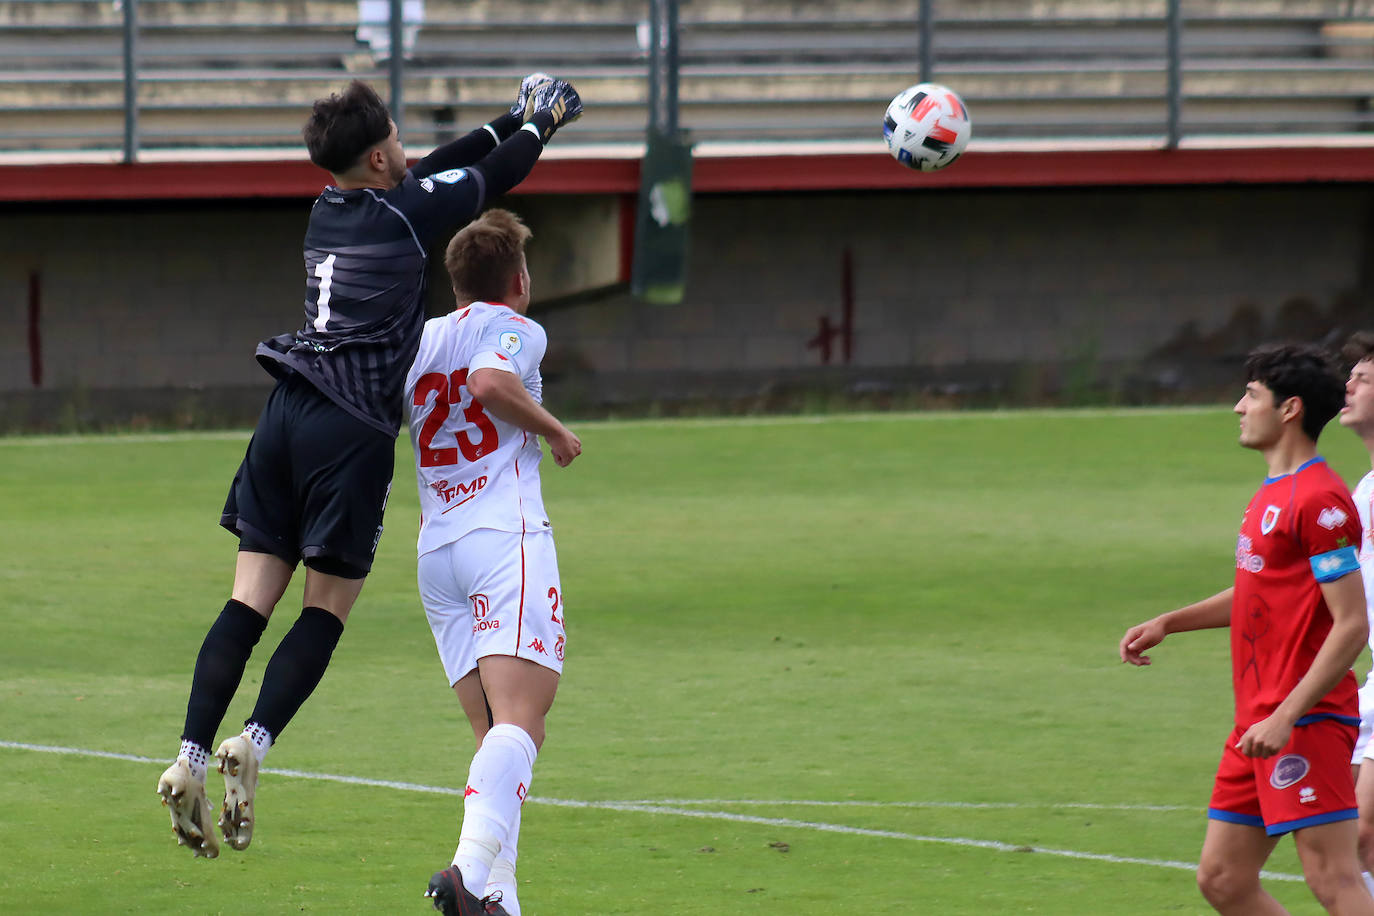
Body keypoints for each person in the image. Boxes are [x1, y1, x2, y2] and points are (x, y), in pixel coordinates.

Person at [155, 75, 583, 859]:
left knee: (248, 601)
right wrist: (543, 124)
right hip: (347, 429)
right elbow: (490, 176)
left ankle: (187, 754)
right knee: (325, 608)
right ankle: (255, 739)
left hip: (282, 409)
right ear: (381, 156)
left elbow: (445, 167)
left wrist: (507, 117)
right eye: (399, 140)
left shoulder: (329, 206)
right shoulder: (407, 214)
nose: (409, 150)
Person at [1119, 342, 1374, 915]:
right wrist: (1170, 622)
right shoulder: (1270, 496)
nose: (1238, 407)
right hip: (1257, 720)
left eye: (1251, 395)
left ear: (1290, 409)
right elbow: (1261, 592)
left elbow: (1352, 624)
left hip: (1302, 718)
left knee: (1334, 878)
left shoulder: (1322, 499)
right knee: (1223, 878)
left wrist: (1288, 715)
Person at [404, 208, 579, 916]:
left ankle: (497, 896)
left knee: (498, 738)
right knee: (521, 723)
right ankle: (469, 872)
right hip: (501, 538)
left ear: (453, 284)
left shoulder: (418, 340)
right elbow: (488, 382)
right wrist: (557, 432)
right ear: (519, 280)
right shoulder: (517, 327)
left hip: (437, 551)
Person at [1338, 331, 1374, 895]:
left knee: (1361, 836)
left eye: (1363, 378)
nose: (1347, 384)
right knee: (1347, 836)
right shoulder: (1364, 489)